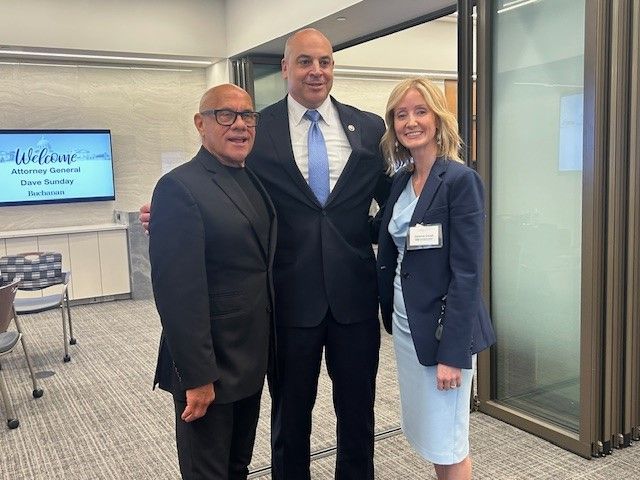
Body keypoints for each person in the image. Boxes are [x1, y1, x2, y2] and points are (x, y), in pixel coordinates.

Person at [142, 28, 390, 480]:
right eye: (304, 61)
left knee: (359, 414)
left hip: (354, 299)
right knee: (289, 418)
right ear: (285, 68)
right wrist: (163, 215)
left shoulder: (369, 127)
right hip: (285, 303)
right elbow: (220, 188)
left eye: (325, 62)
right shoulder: (257, 129)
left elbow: (390, 204)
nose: (316, 71)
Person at [149, 84, 276, 480]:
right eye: (226, 115)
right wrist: (198, 377)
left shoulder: (250, 178)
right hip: (210, 368)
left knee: (238, 466)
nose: (239, 124)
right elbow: (177, 295)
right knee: (207, 473)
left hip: (248, 361)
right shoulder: (179, 187)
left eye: (247, 115)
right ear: (200, 124)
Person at [376, 77, 496, 480]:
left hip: (445, 332)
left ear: (438, 118)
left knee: (449, 441)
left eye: (420, 111)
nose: (411, 122)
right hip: (409, 327)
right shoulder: (402, 180)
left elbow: (467, 274)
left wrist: (453, 354)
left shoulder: (460, 181)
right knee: (431, 435)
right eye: (401, 114)